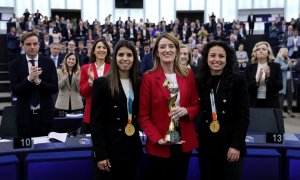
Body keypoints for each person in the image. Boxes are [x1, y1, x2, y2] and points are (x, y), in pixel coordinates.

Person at [138, 33, 199, 180]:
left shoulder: (188, 74)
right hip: (160, 143)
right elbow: (143, 116)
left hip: (183, 141)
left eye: (171, 46)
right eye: (162, 47)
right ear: (157, 52)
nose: (167, 50)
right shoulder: (148, 78)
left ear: (177, 51)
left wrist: (186, 110)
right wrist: (158, 139)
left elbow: (196, 105)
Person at [197, 40, 249, 180]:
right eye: (212, 55)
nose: (216, 60)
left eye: (221, 56)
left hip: (230, 145)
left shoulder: (237, 79)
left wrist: (236, 145)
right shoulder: (200, 80)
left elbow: (243, 116)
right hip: (207, 145)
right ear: (206, 58)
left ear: (227, 59)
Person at [90, 40, 143, 179]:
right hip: (109, 151)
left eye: (129, 55)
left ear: (134, 58)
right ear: (114, 58)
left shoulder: (139, 82)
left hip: (132, 149)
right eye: (121, 55)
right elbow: (96, 122)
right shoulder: (102, 83)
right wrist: (100, 154)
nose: (125, 59)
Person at [9, 32, 58, 137]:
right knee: (26, 152)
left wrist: (38, 82)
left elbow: (54, 88)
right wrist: (29, 79)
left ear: (39, 45)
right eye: (28, 44)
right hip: (24, 116)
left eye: (35, 44)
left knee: (46, 149)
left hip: (45, 115)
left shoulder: (49, 62)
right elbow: (15, 90)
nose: (32, 47)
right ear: (22, 45)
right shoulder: (15, 64)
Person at [80, 38, 111, 134]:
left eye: (104, 47)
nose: (101, 50)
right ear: (93, 51)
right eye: (99, 47)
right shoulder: (85, 68)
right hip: (91, 114)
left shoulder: (113, 68)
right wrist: (91, 81)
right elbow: (83, 93)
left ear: (107, 51)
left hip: (109, 114)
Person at [245, 41, 283, 108]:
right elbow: (245, 87)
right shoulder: (249, 67)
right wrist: (256, 80)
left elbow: (279, 86)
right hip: (253, 103)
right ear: (255, 52)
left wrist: (268, 77)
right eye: (258, 49)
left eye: (263, 49)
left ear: (268, 52)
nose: (260, 51)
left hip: (271, 104)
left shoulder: (276, 66)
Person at [275, 48, 297, 118]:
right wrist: (287, 65)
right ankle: (280, 111)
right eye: (286, 52)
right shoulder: (277, 59)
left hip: (289, 79)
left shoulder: (288, 58)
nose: (288, 54)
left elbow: (290, 66)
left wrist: (294, 64)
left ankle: (289, 110)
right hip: (282, 80)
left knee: (290, 95)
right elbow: (279, 68)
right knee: (281, 96)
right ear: (283, 52)